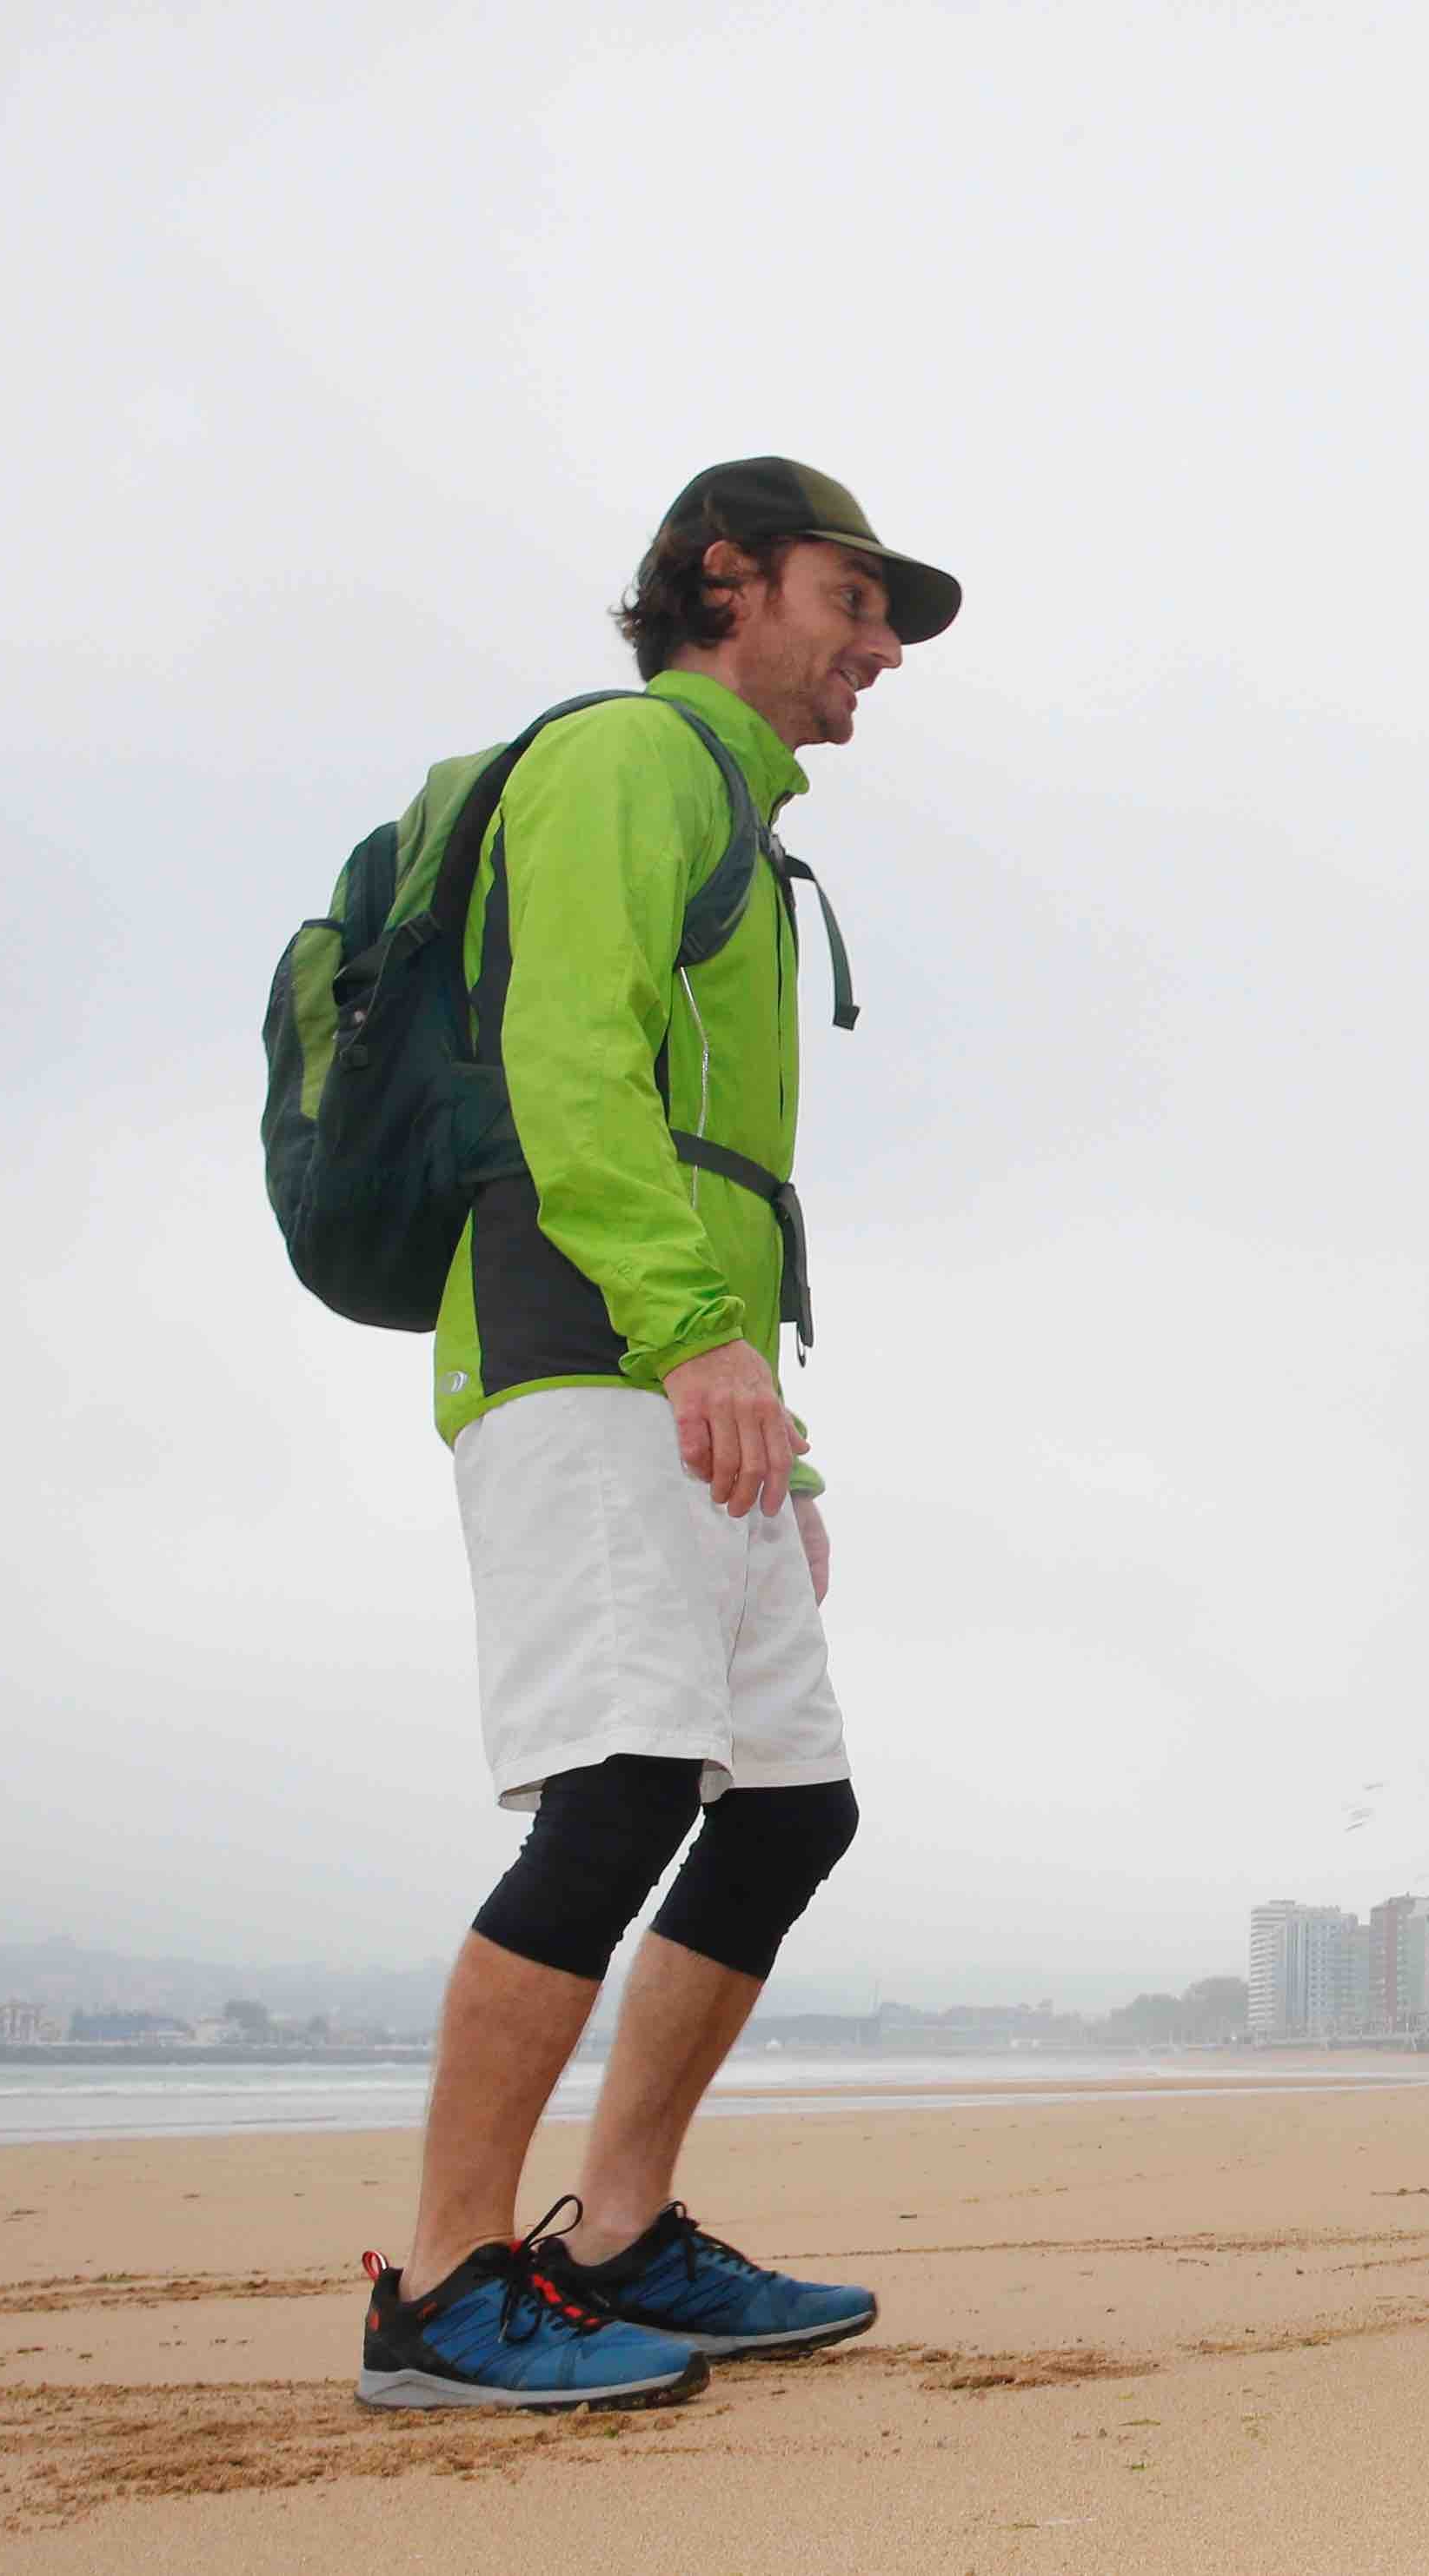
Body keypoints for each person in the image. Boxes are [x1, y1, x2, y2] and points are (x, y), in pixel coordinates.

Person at [356, 461, 958, 2409]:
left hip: (694, 1373)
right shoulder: (628, 759)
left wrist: (776, 1436)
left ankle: (616, 2230)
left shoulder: (741, 822)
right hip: (580, 1342)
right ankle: (441, 2282)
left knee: (789, 1807)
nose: (879, 649)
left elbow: (713, 1162)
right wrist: (697, 1338)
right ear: (729, 578)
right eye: (853, 599)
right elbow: (572, 1061)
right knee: (618, 1792)